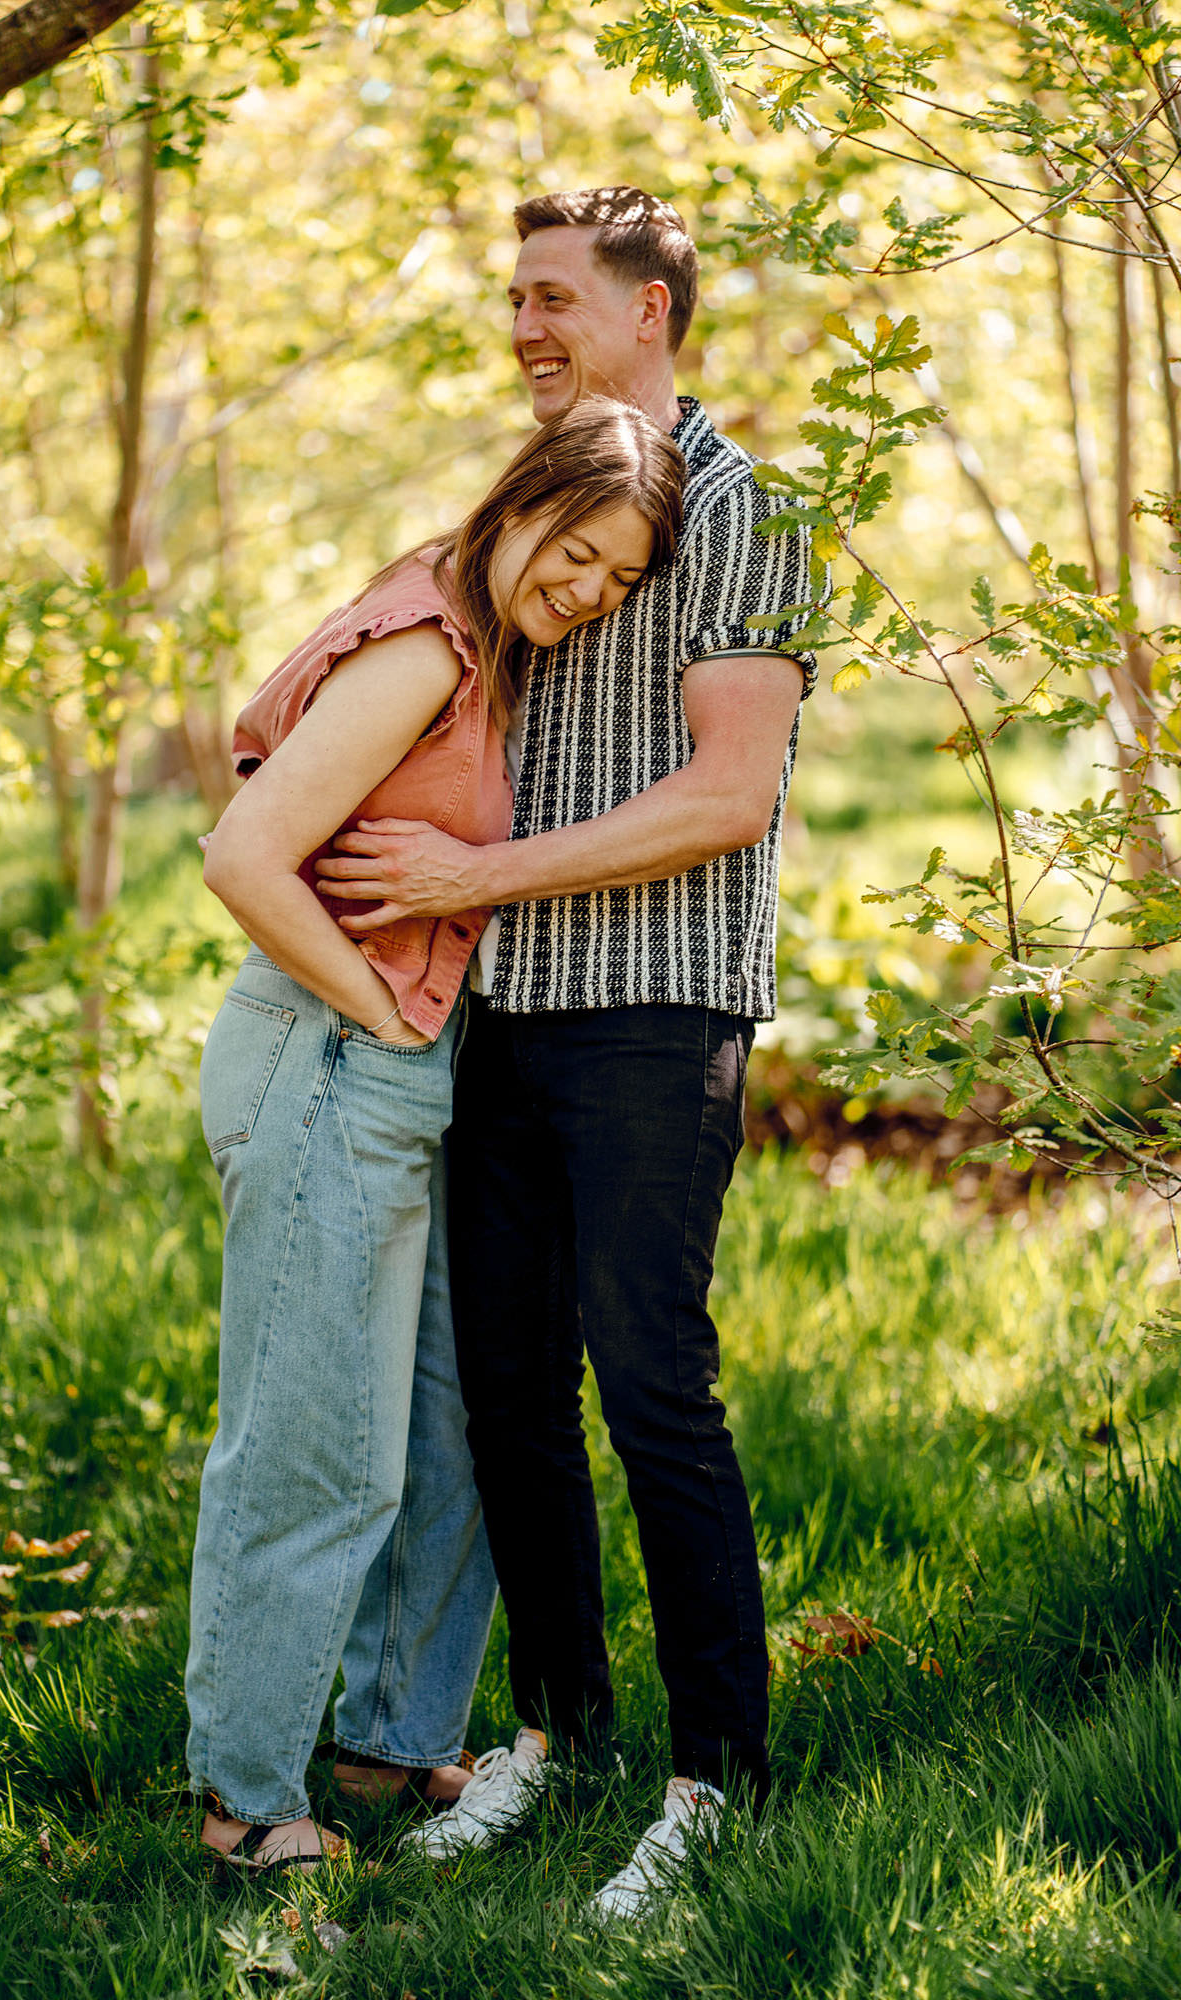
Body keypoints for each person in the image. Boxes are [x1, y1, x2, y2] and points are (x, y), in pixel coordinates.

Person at [314, 187, 818, 1917]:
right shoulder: (538, 502)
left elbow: (727, 794)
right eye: (512, 300)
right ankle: (555, 1734)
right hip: (502, 1014)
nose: (520, 328)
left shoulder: (745, 508)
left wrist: (473, 875)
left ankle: (714, 1776)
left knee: (650, 1381)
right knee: (512, 1396)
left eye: (548, 299)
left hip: (654, 1012)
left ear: (650, 309)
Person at [186, 395, 685, 1878]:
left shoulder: (487, 639)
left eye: (619, 576)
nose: (589, 590)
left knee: (450, 1426)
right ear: (525, 495)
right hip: (333, 1054)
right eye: (579, 548)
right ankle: (243, 1799)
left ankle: (393, 1739)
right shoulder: (425, 643)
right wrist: (382, 1009)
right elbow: (245, 855)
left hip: (409, 1067)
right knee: (316, 1446)